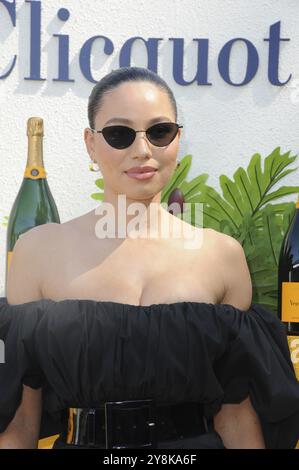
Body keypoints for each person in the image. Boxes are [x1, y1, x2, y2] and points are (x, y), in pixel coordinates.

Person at [0, 66, 298, 450]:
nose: (142, 150)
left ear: (177, 139)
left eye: (159, 132)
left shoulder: (221, 255)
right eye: (120, 134)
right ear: (91, 144)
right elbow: (19, 416)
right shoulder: (37, 252)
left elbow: (236, 412)